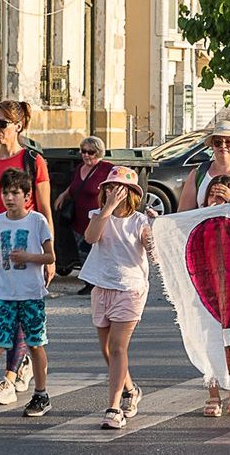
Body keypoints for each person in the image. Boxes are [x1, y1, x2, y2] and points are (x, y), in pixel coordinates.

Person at [0, 100, 53, 406]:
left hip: (26, 250)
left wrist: (49, 253)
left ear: (19, 125)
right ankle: (19, 365)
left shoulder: (33, 161)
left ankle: (11, 375)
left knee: (19, 311)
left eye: (2, 123)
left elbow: (44, 209)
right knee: (3, 308)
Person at [79, 166, 152, 430]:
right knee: (107, 350)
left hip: (130, 289)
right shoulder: (99, 215)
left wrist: (153, 240)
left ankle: (113, 407)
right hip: (101, 286)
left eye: (119, 189)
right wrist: (107, 208)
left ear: (131, 194)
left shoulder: (139, 220)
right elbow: (90, 237)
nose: (113, 192)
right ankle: (131, 389)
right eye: (109, 188)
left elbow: (149, 244)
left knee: (119, 347)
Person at [198, 174, 230, 417]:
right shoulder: (196, 220)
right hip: (205, 285)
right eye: (212, 195)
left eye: (222, 196)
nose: (216, 200)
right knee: (207, 339)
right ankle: (213, 393)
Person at [54, 136, 113, 296]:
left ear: (99, 152)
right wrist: (63, 195)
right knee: (83, 253)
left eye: (91, 152)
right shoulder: (80, 168)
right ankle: (89, 283)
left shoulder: (107, 169)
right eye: (83, 151)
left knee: (97, 253)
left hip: (96, 220)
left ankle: (99, 283)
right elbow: (75, 187)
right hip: (78, 219)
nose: (86, 155)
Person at [178, 121, 230, 211]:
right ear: (212, 146)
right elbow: (183, 214)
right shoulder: (198, 173)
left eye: (229, 142)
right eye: (218, 142)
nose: (223, 146)